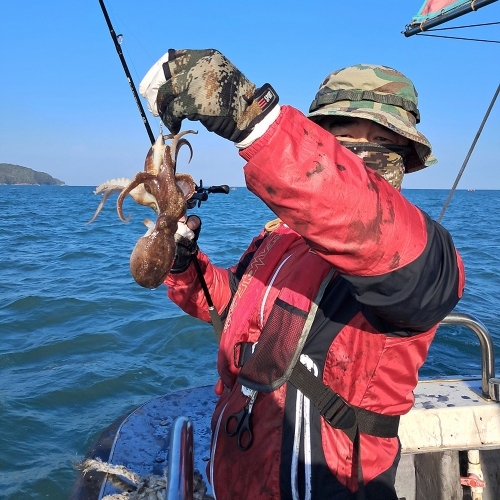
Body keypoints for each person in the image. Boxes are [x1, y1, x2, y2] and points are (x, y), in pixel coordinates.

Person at [139, 49, 465, 500]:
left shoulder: (423, 257)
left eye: (375, 141)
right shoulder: (280, 239)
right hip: (235, 472)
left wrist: (248, 117)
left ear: (403, 155)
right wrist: (182, 260)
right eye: (338, 135)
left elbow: (357, 213)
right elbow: (227, 304)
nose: (353, 152)